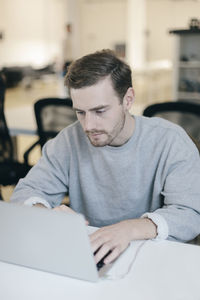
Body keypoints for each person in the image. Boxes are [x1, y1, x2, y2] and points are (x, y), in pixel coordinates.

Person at [11, 49, 200, 266]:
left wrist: (128, 229)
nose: (88, 126)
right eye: (80, 112)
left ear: (128, 99)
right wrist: (44, 213)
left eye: (100, 111)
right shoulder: (69, 139)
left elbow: (190, 214)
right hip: (94, 256)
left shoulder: (171, 141)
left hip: (154, 258)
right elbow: (25, 192)